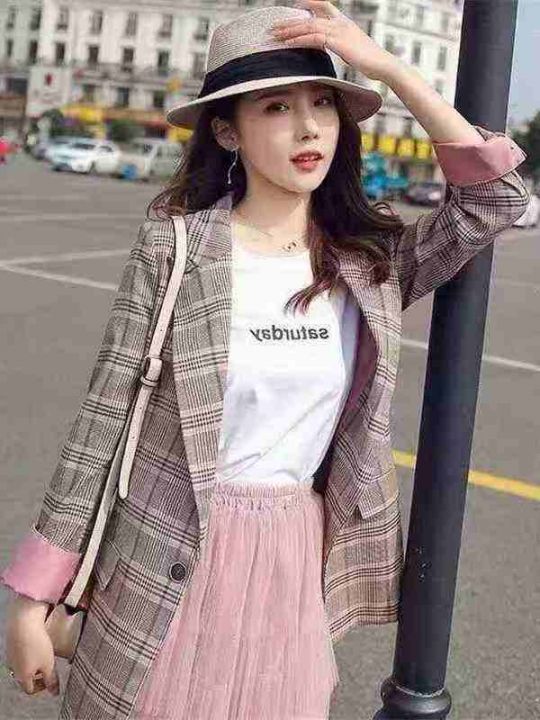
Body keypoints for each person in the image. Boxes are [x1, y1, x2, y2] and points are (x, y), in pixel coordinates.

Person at [0, 2, 530, 719]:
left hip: (292, 565)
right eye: (277, 107)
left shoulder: (366, 265)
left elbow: (494, 198)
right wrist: (33, 600)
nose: (308, 127)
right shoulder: (176, 248)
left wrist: (385, 69)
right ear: (228, 130)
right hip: (164, 558)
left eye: (323, 104)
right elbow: (102, 422)